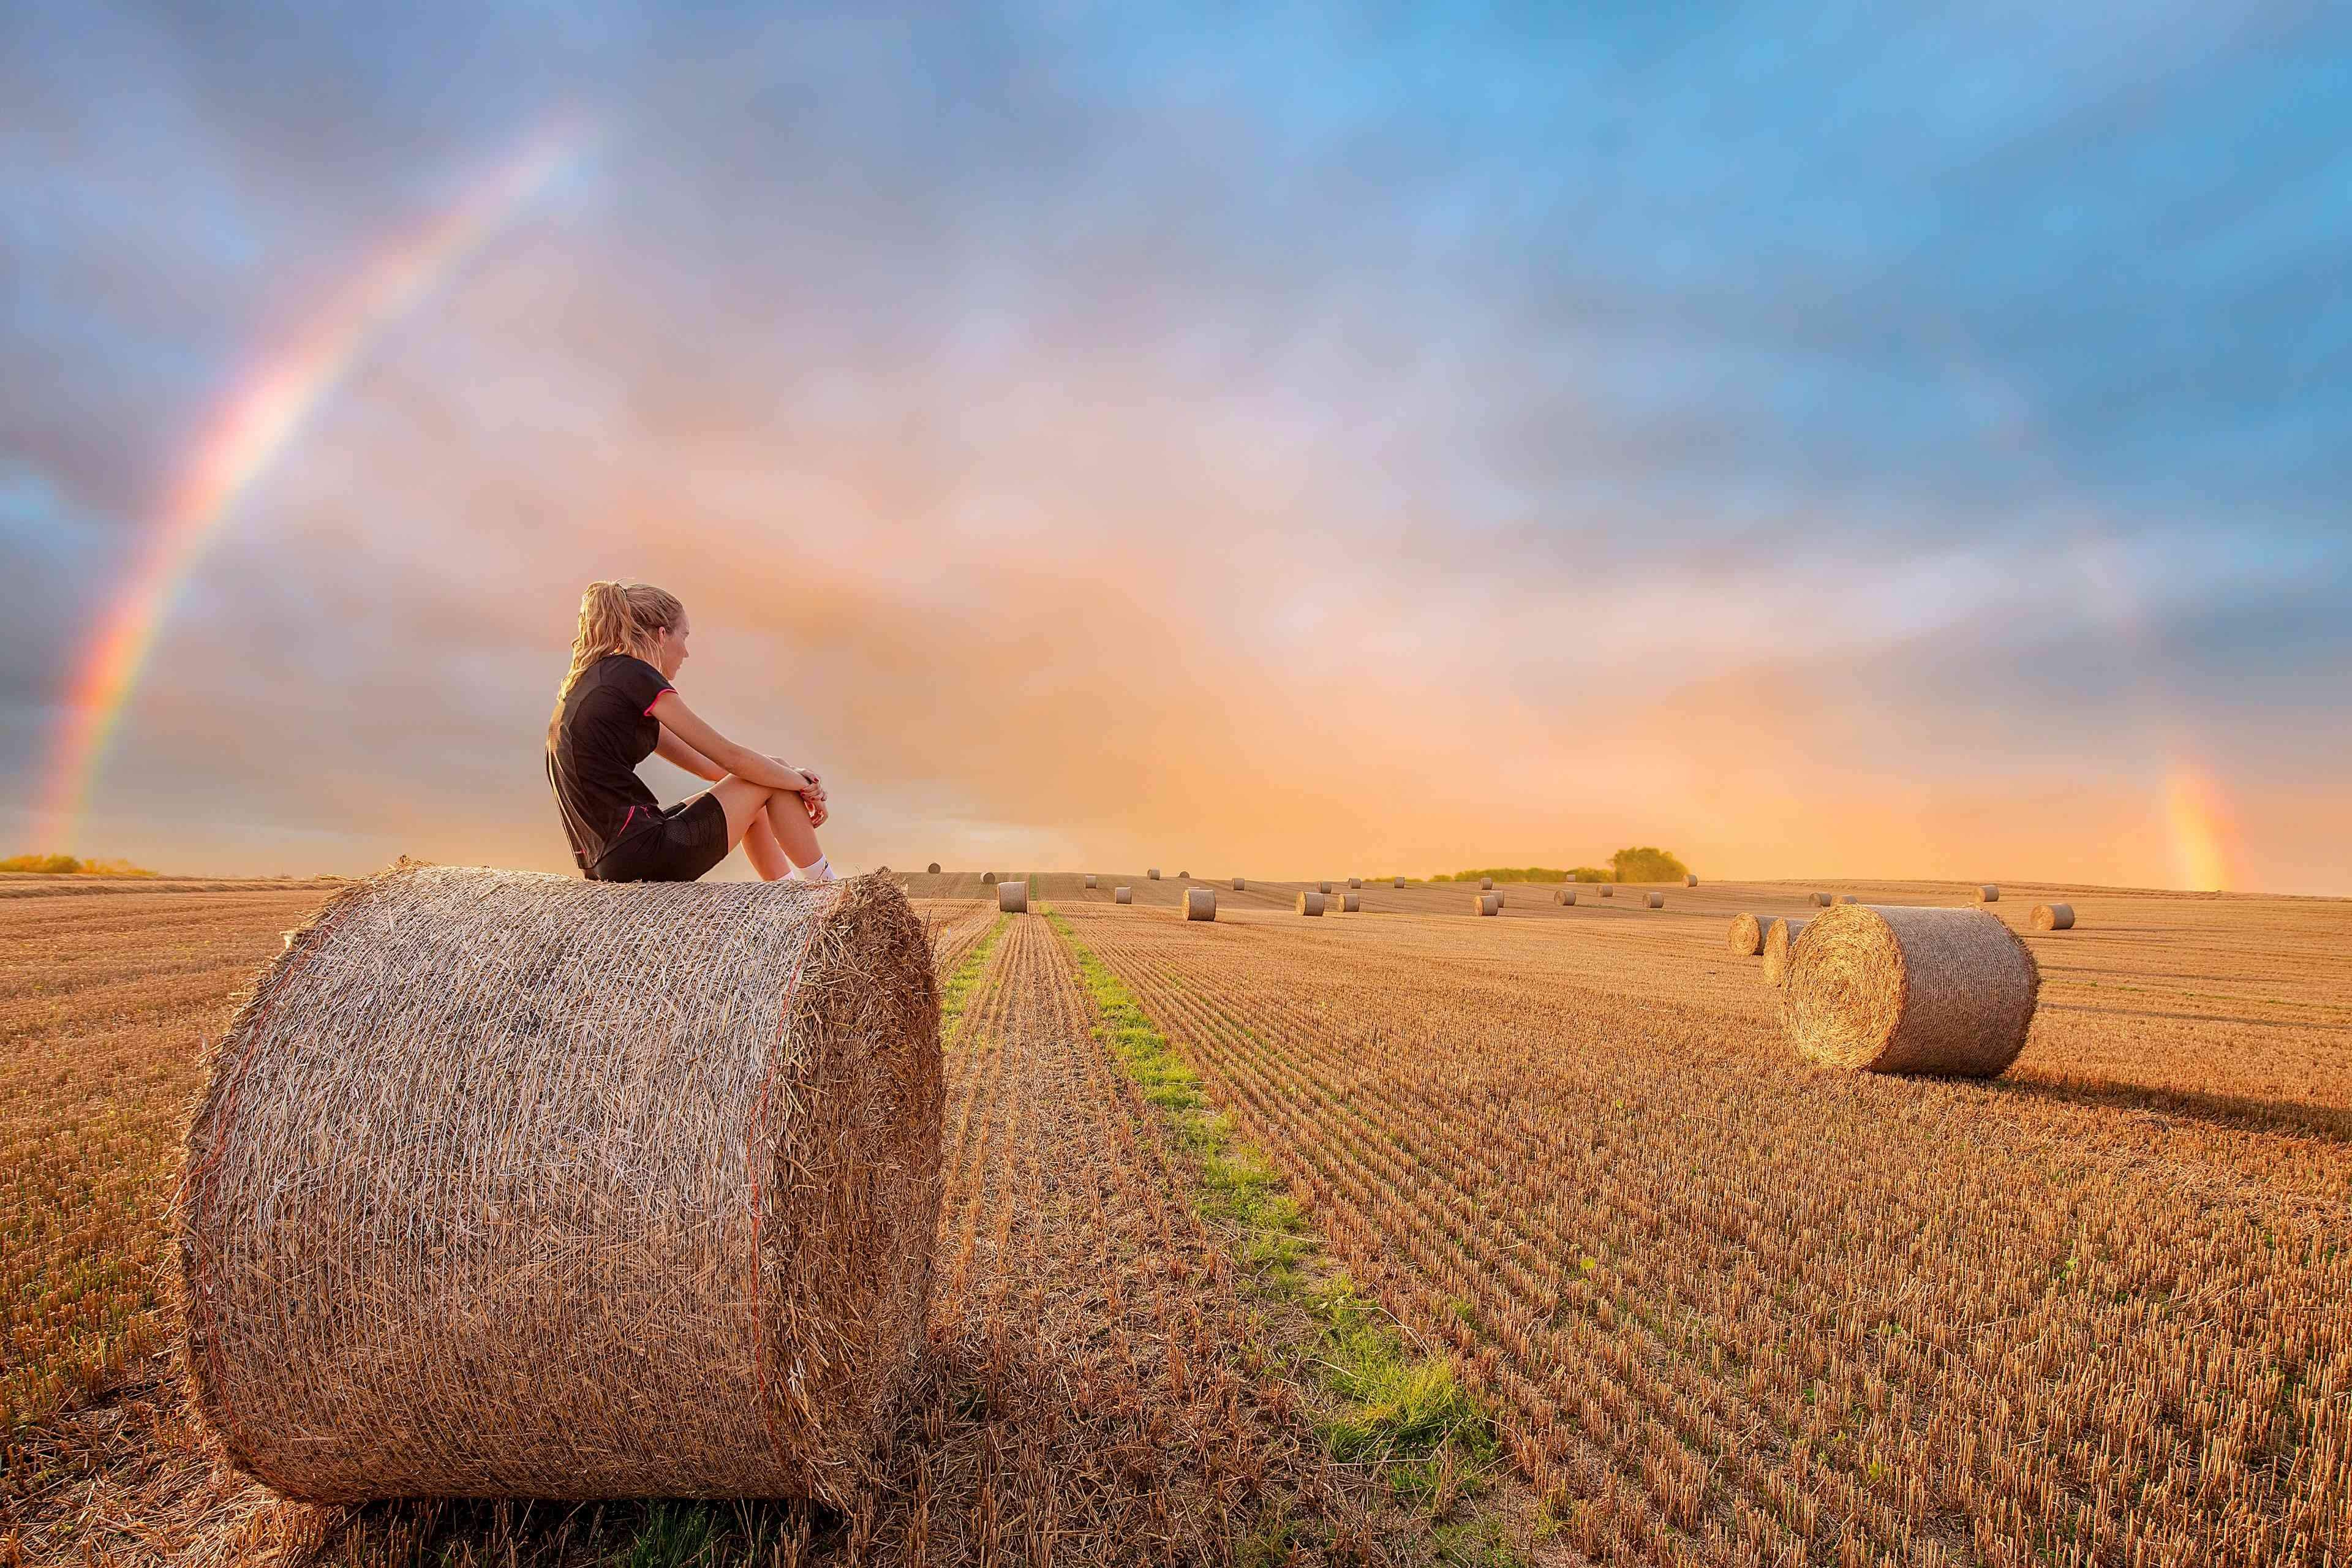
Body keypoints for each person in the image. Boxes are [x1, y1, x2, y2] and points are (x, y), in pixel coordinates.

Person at [546, 581, 832, 883]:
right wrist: (800, 784)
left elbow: (712, 768)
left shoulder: (599, 685)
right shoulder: (633, 673)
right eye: (684, 637)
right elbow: (729, 756)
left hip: (609, 860)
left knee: (764, 777)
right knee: (768, 780)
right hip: (639, 854)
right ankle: (828, 895)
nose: (686, 652)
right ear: (661, 635)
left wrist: (789, 773)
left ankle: (785, 901)